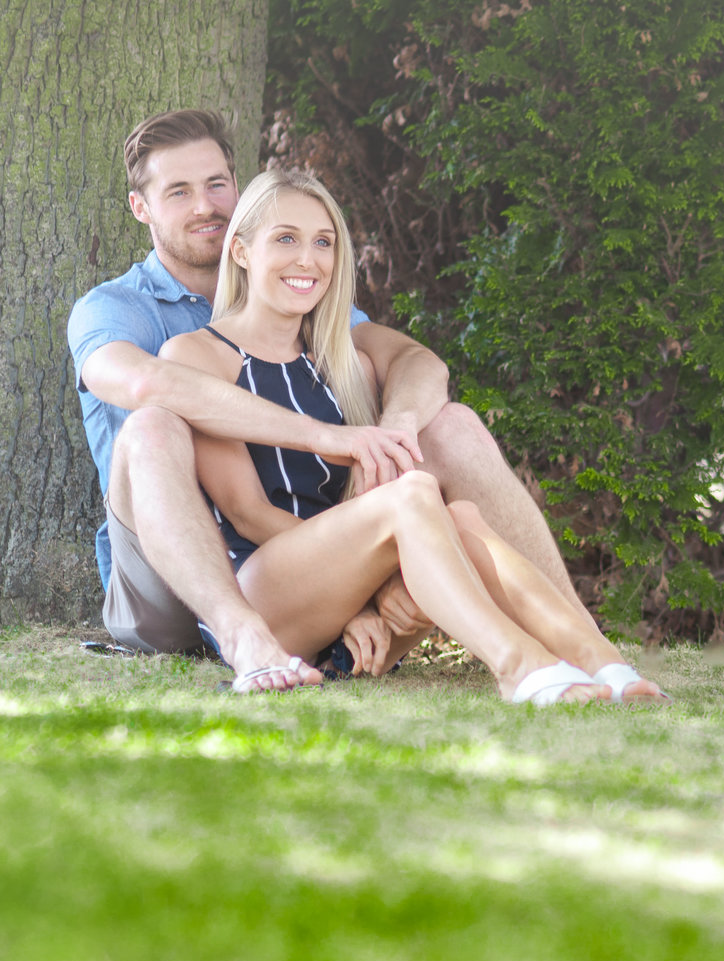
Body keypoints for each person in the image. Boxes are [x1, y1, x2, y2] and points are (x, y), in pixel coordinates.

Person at [67, 109, 590, 692]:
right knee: (154, 426)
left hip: (303, 565)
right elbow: (147, 386)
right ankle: (245, 639)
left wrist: (393, 431)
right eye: (178, 191)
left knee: (451, 425)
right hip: (170, 574)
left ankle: (578, 637)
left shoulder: (297, 296)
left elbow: (415, 363)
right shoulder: (116, 307)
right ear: (141, 207)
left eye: (216, 184)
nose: (204, 206)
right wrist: (326, 437)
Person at [158, 166, 667, 705]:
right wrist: (363, 599)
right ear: (240, 251)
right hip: (267, 602)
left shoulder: (345, 363)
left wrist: (373, 590)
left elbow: (425, 369)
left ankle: (600, 661)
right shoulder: (196, 356)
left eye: (324, 243)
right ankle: (518, 665)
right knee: (414, 495)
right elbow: (246, 514)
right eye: (286, 239)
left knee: (464, 516)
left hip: (357, 597)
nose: (308, 259)